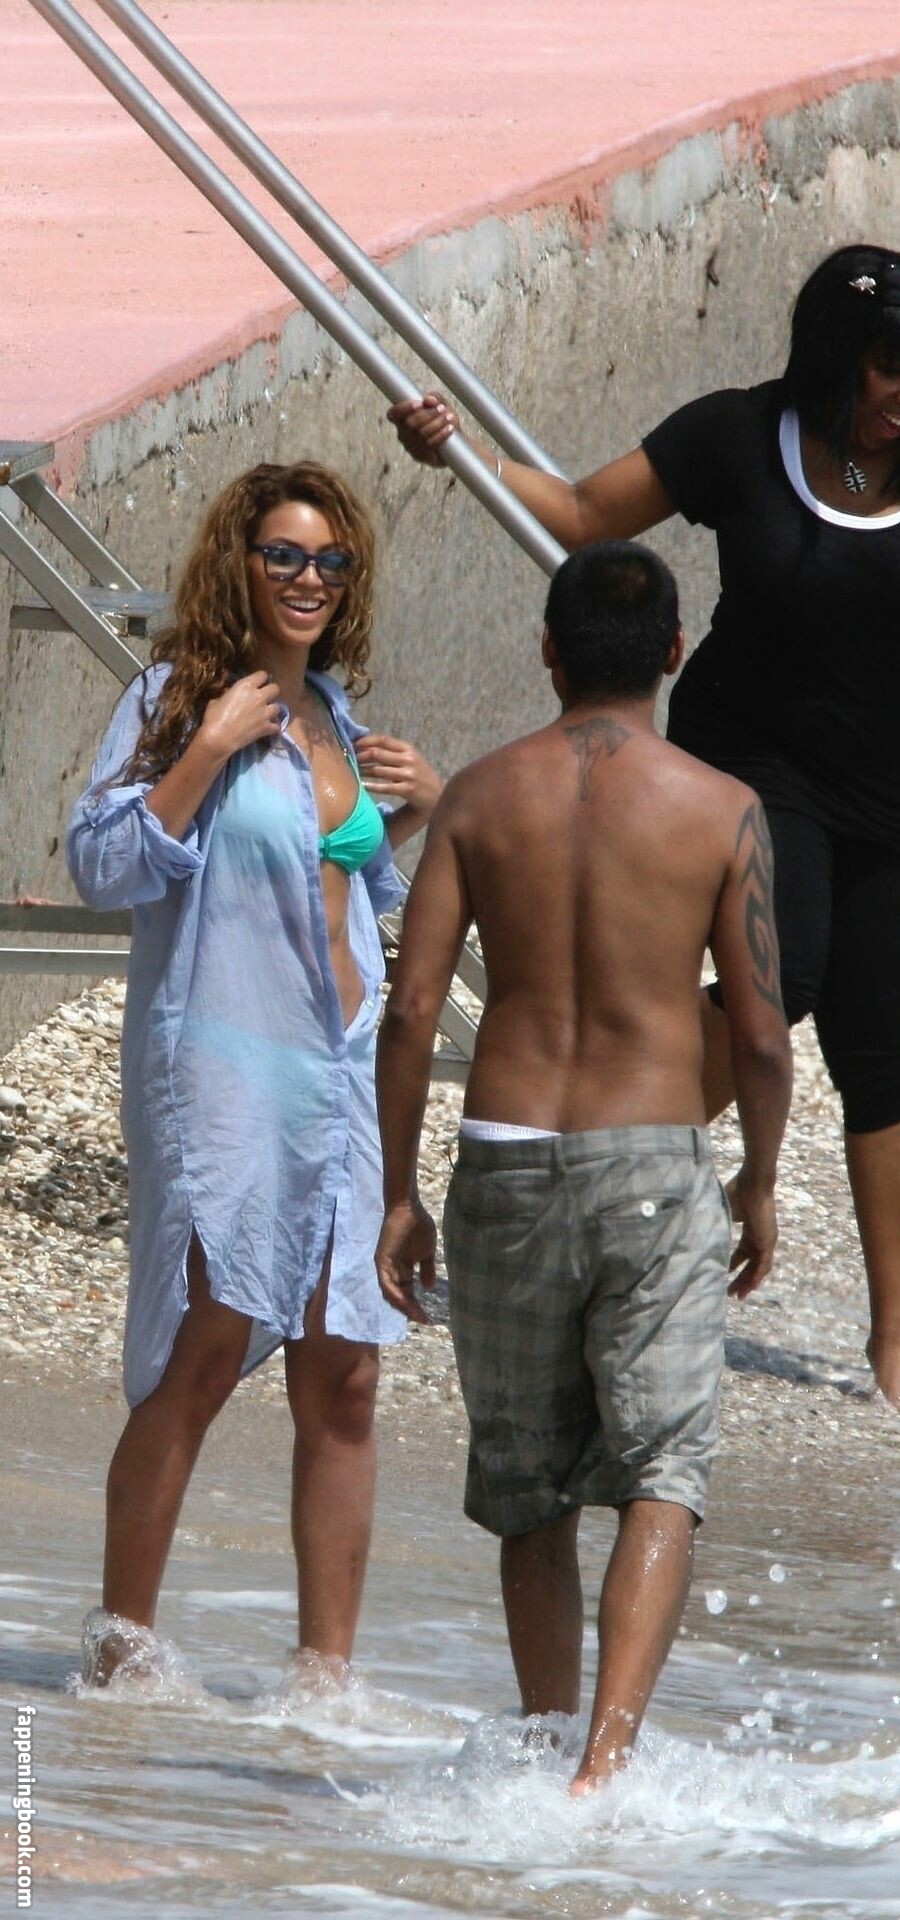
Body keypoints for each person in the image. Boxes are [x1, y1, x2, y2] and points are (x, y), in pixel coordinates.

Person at [388, 242, 900, 1417]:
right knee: (792, 972)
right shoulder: (739, 433)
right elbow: (580, 514)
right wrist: (454, 451)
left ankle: (895, 1355)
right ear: (833, 355)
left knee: (886, 1054)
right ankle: (592, 1165)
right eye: (888, 371)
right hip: (752, 766)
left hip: (896, 788)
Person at [375, 540, 792, 1794]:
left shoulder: (477, 798)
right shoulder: (718, 809)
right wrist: (757, 1179)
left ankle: (547, 1742)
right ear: (674, 653)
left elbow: (409, 1012)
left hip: (502, 1159)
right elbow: (761, 1036)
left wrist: (397, 1193)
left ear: (548, 651)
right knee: (662, 1472)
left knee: (529, 1482)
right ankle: (602, 1770)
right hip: (651, 1162)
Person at [67, 461, 441, 1685]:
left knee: (347, 1376)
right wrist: (209, 748)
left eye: (331, 560)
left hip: (341, 1077)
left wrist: (413, 815)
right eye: (283, 554)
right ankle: (120, 1656)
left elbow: (346, 893)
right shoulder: (176, 697)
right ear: (239, 562)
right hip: (225, 1065)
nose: (308, 579)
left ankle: (323, 1682)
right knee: (207, 1349)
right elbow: (101, 865)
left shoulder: (332, 712)